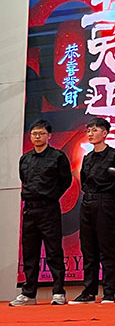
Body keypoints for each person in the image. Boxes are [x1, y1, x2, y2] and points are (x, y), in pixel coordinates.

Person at [69, 118, 115, 304]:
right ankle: (89, 292)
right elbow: (84, 181)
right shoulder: (88, 157)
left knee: (106, 248)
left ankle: (109, 293)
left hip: (105, 204)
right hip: (87, 203)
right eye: (88, 130)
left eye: (94, 130)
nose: (90, 133)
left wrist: (110, 193)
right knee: (88, 249)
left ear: (104, 133)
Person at [10, 120, 72, 306]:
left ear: (49, 136)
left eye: (41, 133)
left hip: (49, 209)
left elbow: (66, 180)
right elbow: (24, 178)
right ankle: (28, 293)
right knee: (30, 253)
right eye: (34, 133)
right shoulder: (25, 158)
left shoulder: (57, 157)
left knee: (53, 251)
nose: (37, 136)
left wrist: (51, 196)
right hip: (29, 209)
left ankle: (58, 292)